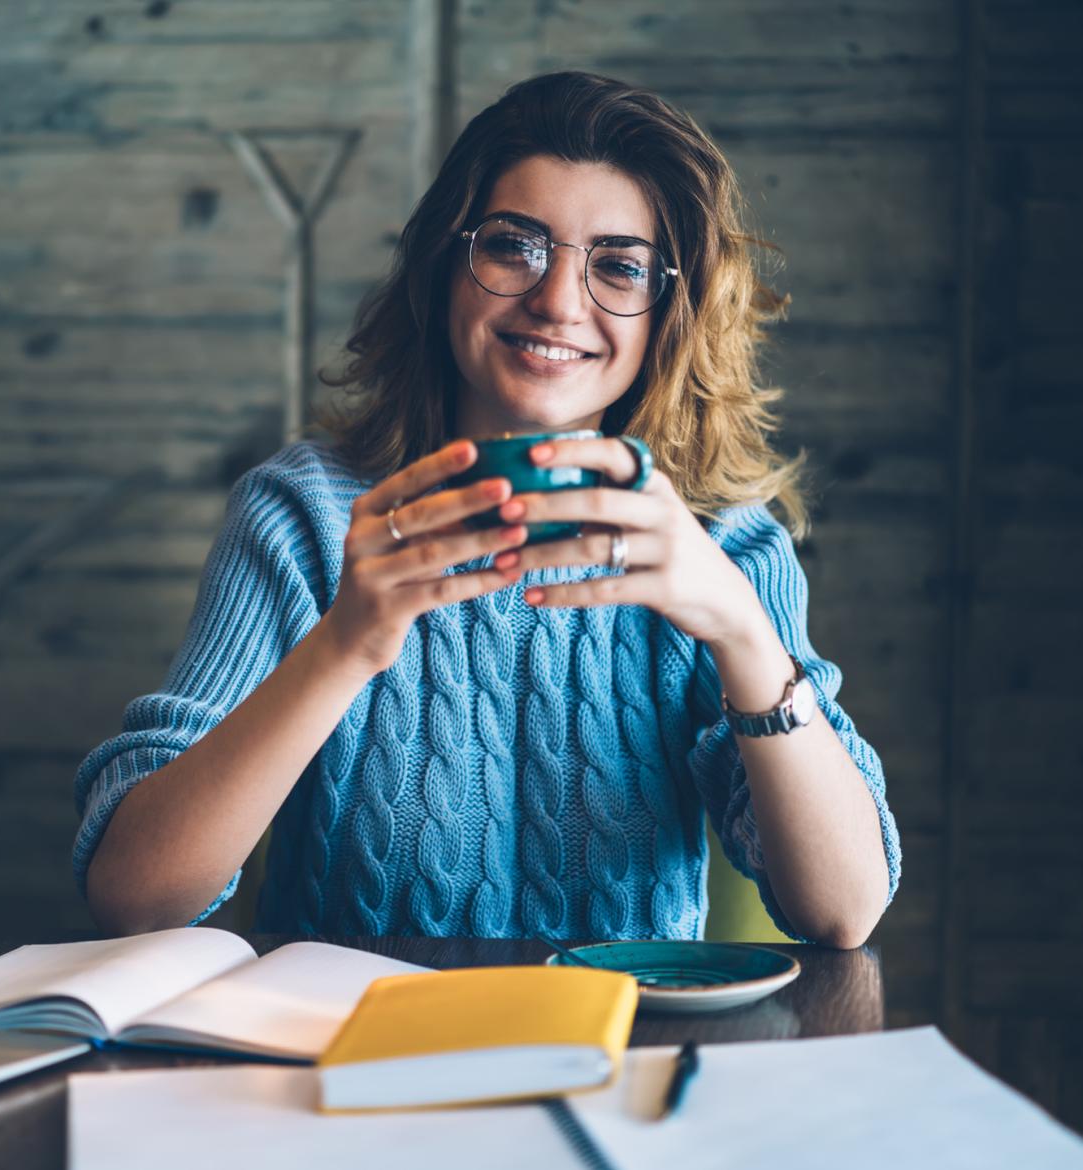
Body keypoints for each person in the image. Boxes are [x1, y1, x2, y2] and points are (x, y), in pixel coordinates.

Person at [74, 71, 900, 947]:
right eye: (515, 246)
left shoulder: (726, 547)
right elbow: (134, 896)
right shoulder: (302, 517)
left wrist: (741, 630)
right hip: (353, 1057)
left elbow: (844, 911)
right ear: (446, 268)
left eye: (618, 266)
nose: (558, 301)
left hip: (618, 1059)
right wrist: (347, 643)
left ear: (671, 313)